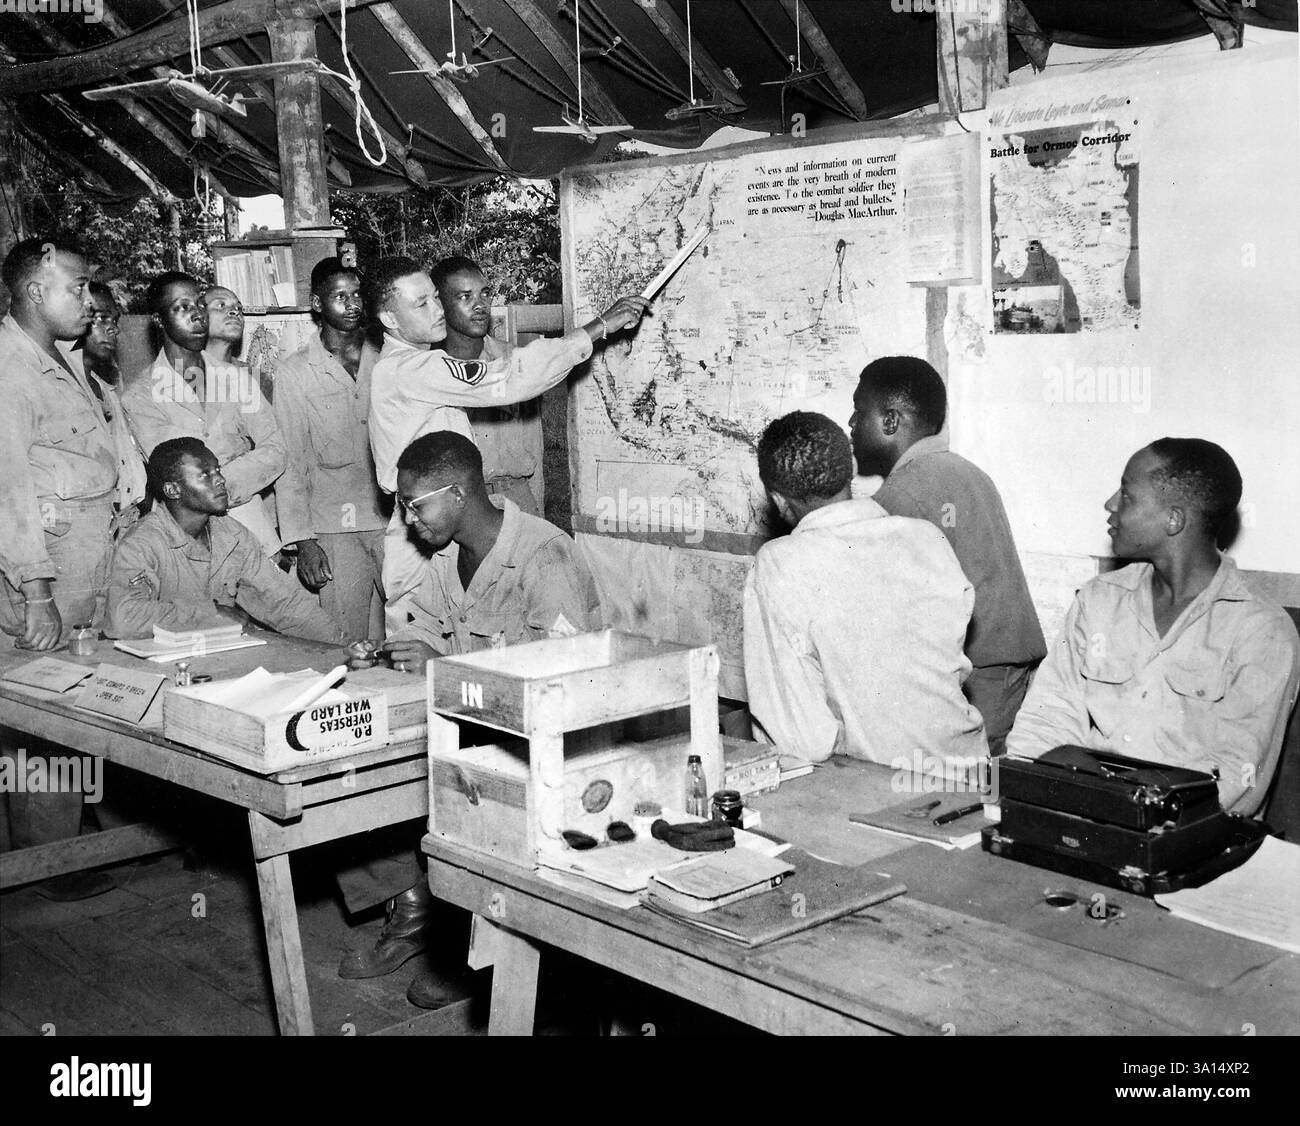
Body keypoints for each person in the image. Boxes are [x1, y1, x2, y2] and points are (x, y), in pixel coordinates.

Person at [336, 430, 599, 1010]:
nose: (407, 520)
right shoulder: (450, 556)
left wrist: (448, 668)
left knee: (469, 810)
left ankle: (501, 963)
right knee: (364, 773)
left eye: (415, 504)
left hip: (549, 748)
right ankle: (427, 925)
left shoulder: (542, 557)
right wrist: (394, 652)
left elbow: (563, 685)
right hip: (479, 729)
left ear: (457, 495)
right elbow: (429, 627)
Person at [1007, 440, 1299, 817]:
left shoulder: (1261, 632)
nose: (1110, 504)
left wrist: (1127, 814)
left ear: (1174, 519)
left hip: (1188, 839)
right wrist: (1033, 798)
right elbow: (1045, 721)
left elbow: (1236, 780)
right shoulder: (1099, 601)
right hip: (1082, 815)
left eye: (1127, 495)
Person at [367, 256, 648, 632]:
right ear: (389, 319)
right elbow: (510, 379)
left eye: (436, 298)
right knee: (421, 659)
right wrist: (599, 327)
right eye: (422, 304)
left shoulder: (417, 363)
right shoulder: (408, 370)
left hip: (442, 522)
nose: (437, 311)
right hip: (422, 531)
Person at [743, 411, 988, 768]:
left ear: (778, 500)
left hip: (882, 790)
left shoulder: (781, 563)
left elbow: (802, 741)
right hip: (970, 772)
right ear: (851, 471)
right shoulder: (927, 536)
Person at [0, 237, 120, 899]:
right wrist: (35, 590)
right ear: (34, 286)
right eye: (76, 288)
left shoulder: (59, 359)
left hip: (85, 562)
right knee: (39, 714)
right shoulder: (10, 367)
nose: (87, 300)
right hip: (47, 572)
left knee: (72, 704)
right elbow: (8, 485)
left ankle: (67, 835)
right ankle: (50, 864)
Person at [850, 356, 1046, 754]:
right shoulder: (962, 470)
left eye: (858, 412)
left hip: (975, 674)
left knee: (962, 789)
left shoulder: (902, 494)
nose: (851, 425)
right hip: (1005, 667)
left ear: (890, 421)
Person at [103, 437, 342, 643]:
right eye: (205, 475)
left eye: (217, 470)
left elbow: (284, 604)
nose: (220, 480)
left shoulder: (233, 536)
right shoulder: (142, 543)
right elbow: (124, 619)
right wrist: (210, 614)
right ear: (172, 490)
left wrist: (344, 646)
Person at [121, 273, 285, 556]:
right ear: (159, 319)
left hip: (252, 530)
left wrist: (223, 487)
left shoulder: (237, 379)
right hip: (187, 540)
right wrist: (238, 466)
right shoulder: (140, 396)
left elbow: (276, 449)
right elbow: (180, 475)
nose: (197, 315)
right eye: (183, 307)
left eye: (199, 304)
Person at [272, 259, 387, 640]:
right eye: (340, 297)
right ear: (318, 304)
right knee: (348, 641)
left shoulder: (389, 357)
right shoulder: (295, 372)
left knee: (411, 632)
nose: (353, 304)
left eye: (357, 295)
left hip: (396, 522)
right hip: (336, 528)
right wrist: (304, 541)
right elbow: (291, 461)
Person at [430, 255, 543, 516]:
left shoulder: (513, 361)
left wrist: (537, 517)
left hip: (516, 500)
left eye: (484, 294)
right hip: (456, 503)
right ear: (440, 304)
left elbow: (534, 448)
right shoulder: (427, 370)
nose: (479, 305)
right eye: (464, 297)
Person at [76, 281, 147, 518]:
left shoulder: (107, 391)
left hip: (125, 518)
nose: (114, 329)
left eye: (114, 321)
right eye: (102, 318)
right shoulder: (57, 390)